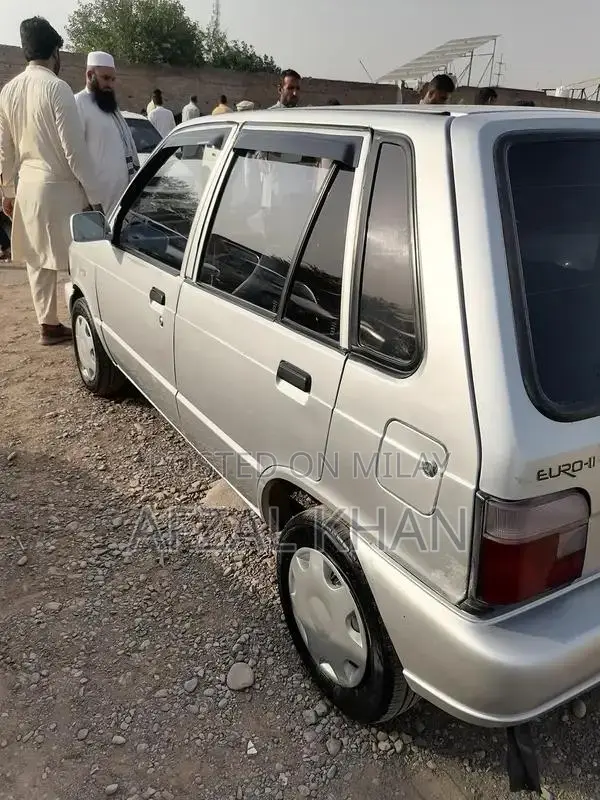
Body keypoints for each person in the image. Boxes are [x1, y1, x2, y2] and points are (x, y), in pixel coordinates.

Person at [0, 17, 101, 345]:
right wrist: (95, 194)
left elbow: (5, 152)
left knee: (37, 260)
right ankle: (91, 324)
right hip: (60, 188)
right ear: (55, 51)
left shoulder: (8, 91)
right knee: (77, 260)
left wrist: (6, 191)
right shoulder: (57, 89)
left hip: (27, 187)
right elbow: (75, 152)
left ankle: (48, 324)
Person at [75, 51, 139, 217]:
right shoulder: (78, 104)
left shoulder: (110, 106)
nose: (110, 84)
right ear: (90, 75)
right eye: (105, 78)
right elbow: (74, 156)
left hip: (120, 198)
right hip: (96, 204)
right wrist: (87, 202)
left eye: (113, 79)